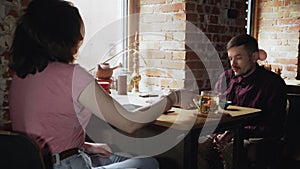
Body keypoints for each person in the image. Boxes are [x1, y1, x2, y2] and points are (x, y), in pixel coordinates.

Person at [8, 0, 196, 169]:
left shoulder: (20, 76)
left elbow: (42, 135)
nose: (79, 42)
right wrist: (174, 97)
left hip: (43, 162)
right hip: (67, 165)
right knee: (150, 163)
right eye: (78, 37)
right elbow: (128, 122)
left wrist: (86, 146)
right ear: (63, 37)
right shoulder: (71, 75)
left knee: (118, 156)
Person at [197, 34, 287, 169]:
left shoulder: (273, 83)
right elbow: (215, 111)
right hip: (222, 132)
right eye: (230, 58)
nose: (233, 64)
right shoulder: (225, 77)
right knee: (193, 145)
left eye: (239, 58)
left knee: (233, 148)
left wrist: (235, 133)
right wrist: (217, 134)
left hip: (255, 137)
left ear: (254, 57)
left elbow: (273, 126)